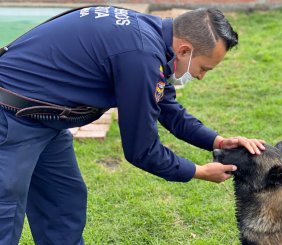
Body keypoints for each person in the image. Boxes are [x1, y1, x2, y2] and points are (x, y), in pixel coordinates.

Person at [0, 6, 265, 245]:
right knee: (5, 212)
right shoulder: (140, 55)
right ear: (185, 50)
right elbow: (142, 149)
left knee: (62, 202)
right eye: (203, 68)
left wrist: (218, 141)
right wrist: (198, 171)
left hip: (46, 119)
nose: (201, 77)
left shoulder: (151, 37)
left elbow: (167, 107)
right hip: (11, 117)